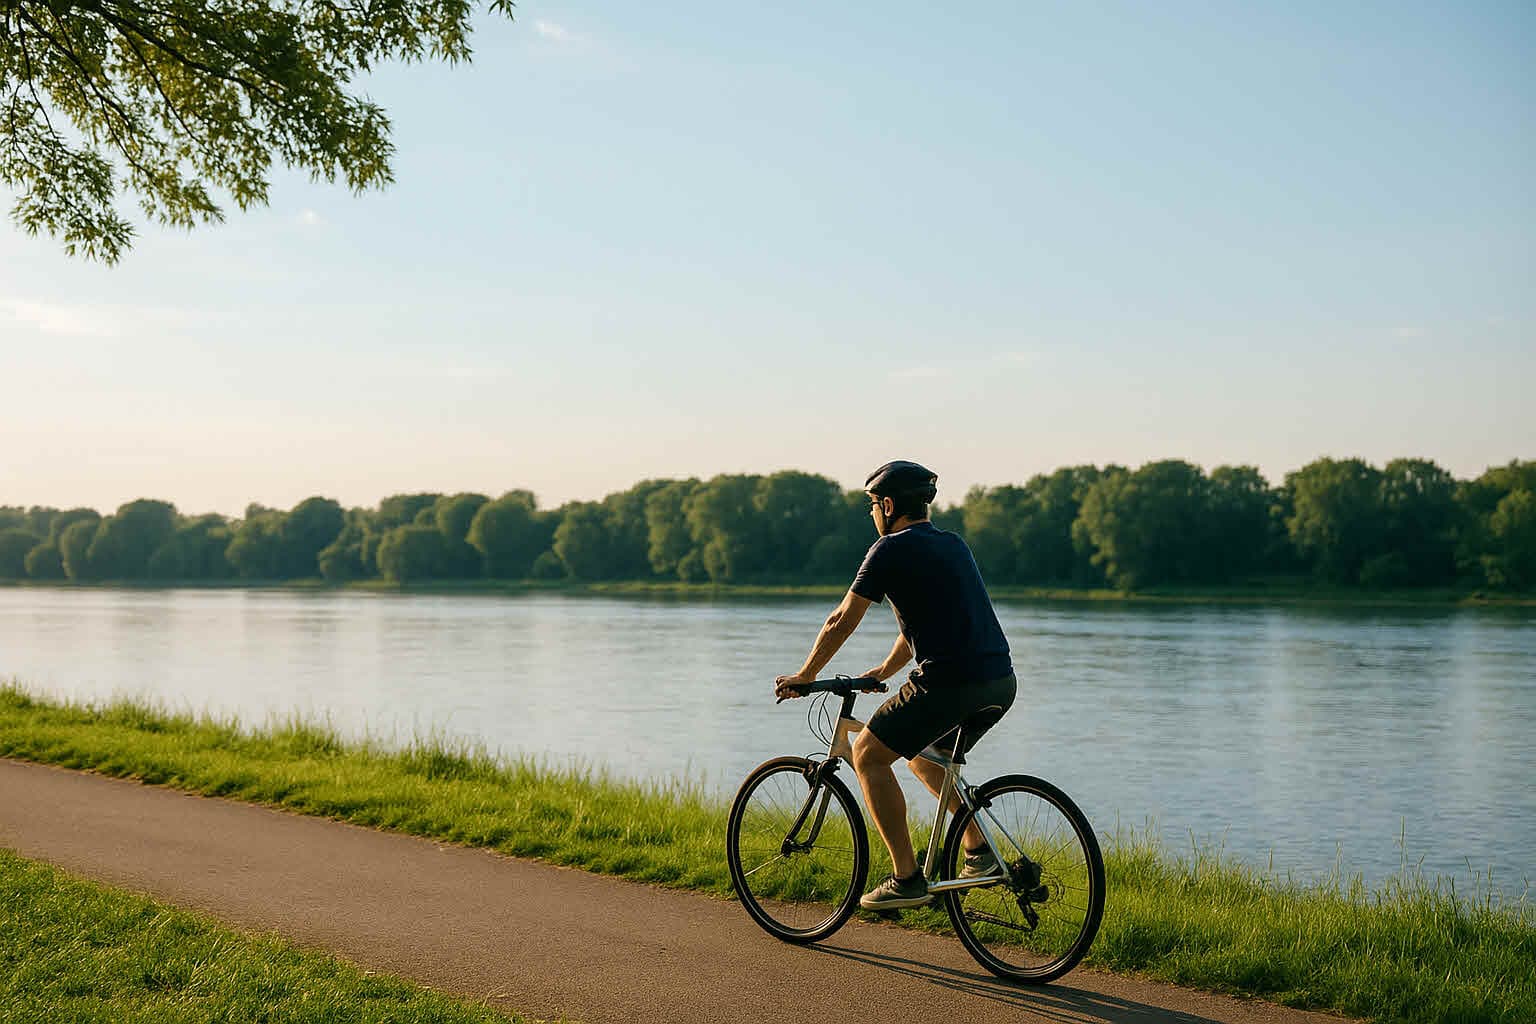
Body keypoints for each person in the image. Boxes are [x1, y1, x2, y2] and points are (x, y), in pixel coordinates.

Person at [774, 460, 1016, 909]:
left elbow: (841, 619)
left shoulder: (887, 551)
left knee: (867, 753)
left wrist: (804, 676)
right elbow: (917, 629)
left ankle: (906, 878)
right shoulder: (953, 545)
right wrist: (881, 674)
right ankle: (979, 853)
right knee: (928, 761)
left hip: (948, 682)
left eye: (871, 506)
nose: (871, 515)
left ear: (887, 505)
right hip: (999, 682)